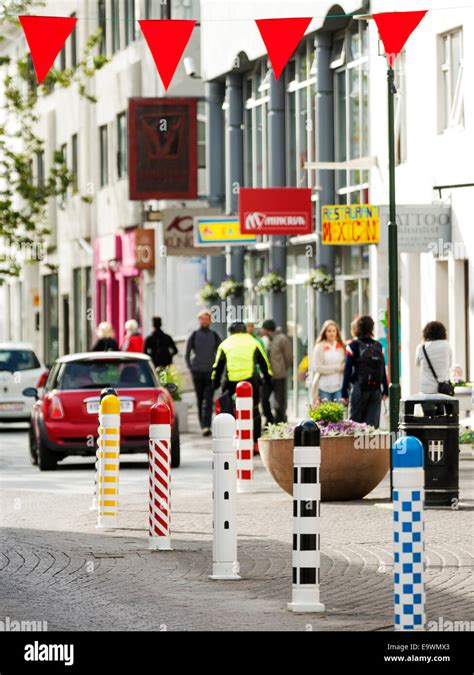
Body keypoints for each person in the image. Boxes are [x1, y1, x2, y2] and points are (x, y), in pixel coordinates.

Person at [211, 321, 272, 442]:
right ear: (244, 330)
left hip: (230, 380)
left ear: (230, 332)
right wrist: (267, 379)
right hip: (249, 380)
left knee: (226, 409)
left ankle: (227, 437)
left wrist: (215, 382)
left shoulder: (225, 344)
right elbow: (264, 363)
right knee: (254, 408)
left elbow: (218, 366)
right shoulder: (253, 342)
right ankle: (255, 440)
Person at [341, 315, 388, 428]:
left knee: (354, 425)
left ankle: (354, 446)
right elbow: (382, 368)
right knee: (372, 425)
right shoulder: (378, 346)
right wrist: (385, 389)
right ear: (371, 328)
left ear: (357, 328)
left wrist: (344, 393)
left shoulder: (353, 346)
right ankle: (369, 445)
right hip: (375, 389)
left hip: (359, 388)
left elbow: (347, 370)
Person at [185, 310, 221, 437]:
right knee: (200, 399)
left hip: (210, 372)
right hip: (197, 372)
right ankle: (202, 424)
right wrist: (191, 368)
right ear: (199, 320)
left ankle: (207, 426)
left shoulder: (214, 335)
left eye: (207, 319)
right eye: (202, 319)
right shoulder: (194, 335)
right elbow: (187, 354)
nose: (205, 321)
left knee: (208, 399)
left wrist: (217, 369)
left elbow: (221, 353)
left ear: (210, 321)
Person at [260, 319, 292, 424]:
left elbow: (289, 357)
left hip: (279, 375)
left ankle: (280, 422)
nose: (261, 330)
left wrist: (282, 369)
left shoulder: (282, 339)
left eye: (263, 328)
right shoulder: (264, 340)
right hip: (267, 376)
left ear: (267, 329)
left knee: (279, 402)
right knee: (264, 399)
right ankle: (269, 419)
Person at [310, 320, 345, 405]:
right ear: (324, 332)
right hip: (323, 387)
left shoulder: (342, 346)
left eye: (334, 331)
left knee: (338, 416)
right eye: (329, 331)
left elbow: (344, 365)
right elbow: (317, 367)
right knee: (326, 416)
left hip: (339, 386)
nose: (331, 333)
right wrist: (337, 368)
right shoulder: (319, 347)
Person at [415, 321, 452, 394]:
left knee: (426, 404)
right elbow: (449, 364)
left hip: (426, 390)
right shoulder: (447, 346)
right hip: (443, 388)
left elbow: (417, 364)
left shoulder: (421, 347)